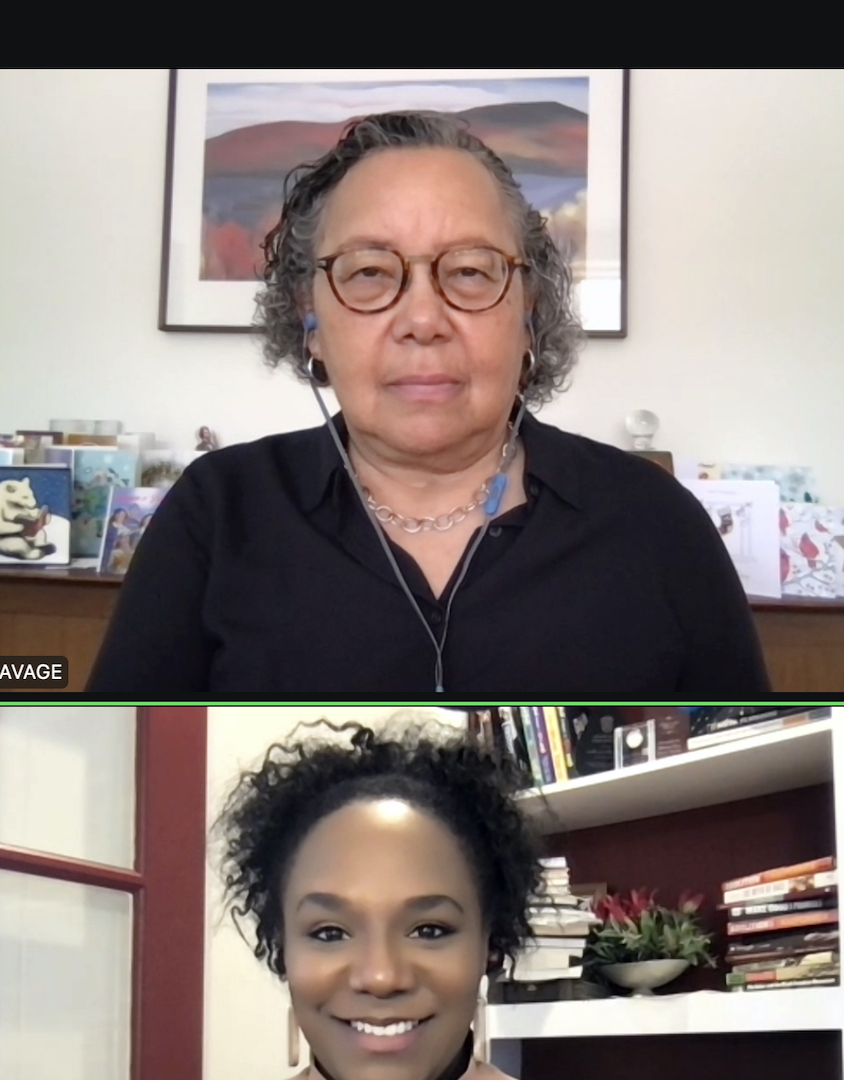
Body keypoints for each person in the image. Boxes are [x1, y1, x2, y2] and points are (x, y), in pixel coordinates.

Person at [88, 111, 769, 693]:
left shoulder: (655, 524)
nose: (422, 318)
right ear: (309, 319)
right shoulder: (216, 514)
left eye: (470, 271)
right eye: (370, 273)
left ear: (529, 310)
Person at [89, 720, 710, 1080]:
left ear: (489, 945)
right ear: (283, 950)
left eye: (430, 929)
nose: (381, 976)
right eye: (329, 932)